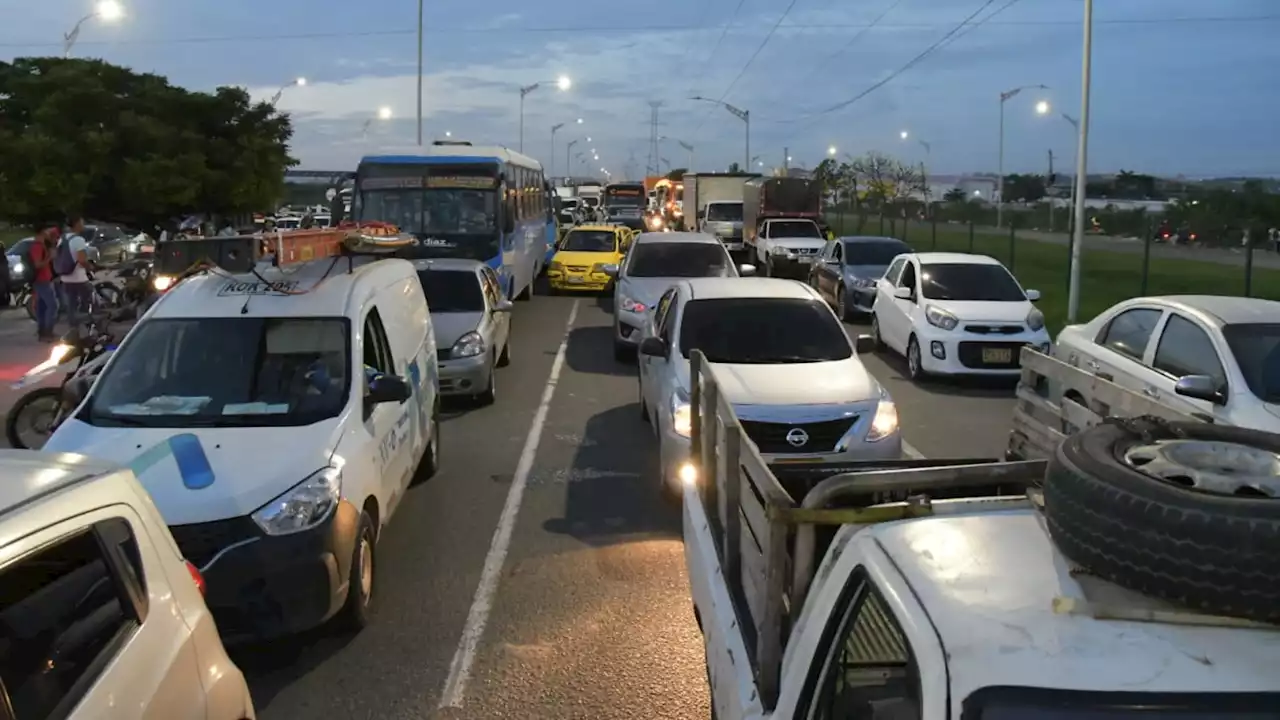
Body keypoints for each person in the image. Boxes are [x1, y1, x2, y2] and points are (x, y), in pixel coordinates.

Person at [57, 215, 94, 328]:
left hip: (65, 278)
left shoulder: (62, 239)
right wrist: (90, 268)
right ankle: (89, 326)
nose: (83, 225)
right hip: (79, 278)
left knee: (71, 306)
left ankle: (74, 330)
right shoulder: (78, 240)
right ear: (77, 224)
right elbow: (82, 260)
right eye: (82, 223)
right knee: (90, 301)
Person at [28, 222, 60, 341]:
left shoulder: (42, 245)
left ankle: (42, 332)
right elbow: (37, 264)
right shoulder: (37, 246)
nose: (50, 233)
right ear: (42, 232)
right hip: (42, 281)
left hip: (44, 280)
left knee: (42, 307)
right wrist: (49, 258)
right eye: (48, 231)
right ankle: (47, 332)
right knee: (52, 306)